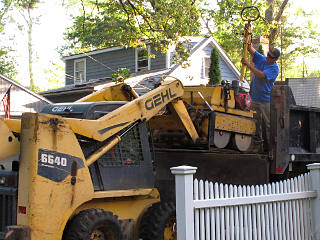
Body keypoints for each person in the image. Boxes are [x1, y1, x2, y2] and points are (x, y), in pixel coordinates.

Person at [241, 43, 280, 151]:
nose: (268, 58)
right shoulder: (262, 59)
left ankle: (269, 148)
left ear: (275, 59)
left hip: (265, 101)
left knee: (267, 125)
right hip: (253, 98)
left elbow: (261, 75)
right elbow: (250, 49)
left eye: (271, 57)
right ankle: (256, 146)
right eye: (268, 55)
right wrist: (247, 37)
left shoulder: (274, 69)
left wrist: (248, 65)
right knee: (254, 123)